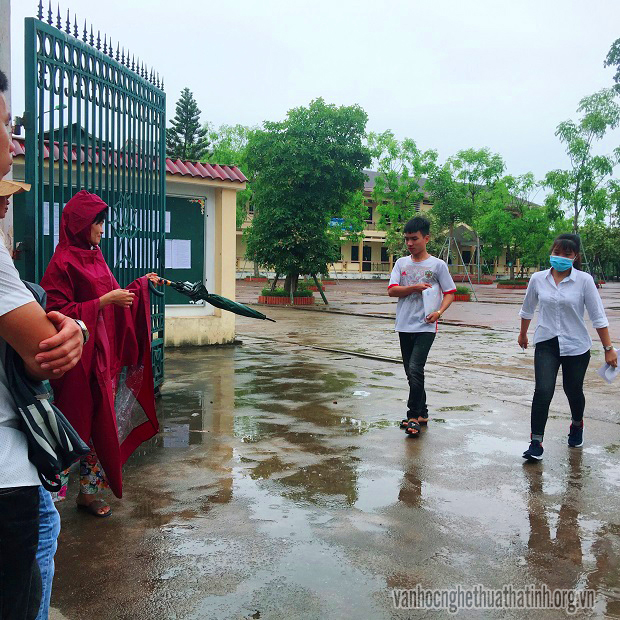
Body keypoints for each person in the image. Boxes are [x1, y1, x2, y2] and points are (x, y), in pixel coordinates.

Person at [0, 69, 83, 620]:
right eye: (6, 125)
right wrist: (83, 323)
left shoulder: (94, 257)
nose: (13, 144)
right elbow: (45, 337)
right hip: (9, 465)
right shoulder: (63, 260)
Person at [40, 190, 160, 516]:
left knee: (100, 423)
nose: (103, 230)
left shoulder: (96, 256)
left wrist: (141, 284)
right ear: (82, 224)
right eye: (98, 223)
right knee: (71, 424)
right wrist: (104, 302)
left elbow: (115, 295)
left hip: (101, 358)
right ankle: (50, 502)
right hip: (76, 363)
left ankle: (88, 494)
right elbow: (55, 312)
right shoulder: (62, 262)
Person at [519, 233, 617, 461]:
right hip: (546, 342)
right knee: (543, 390)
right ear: (551, 253)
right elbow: (527, 308)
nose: (560, 257)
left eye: (567, 254)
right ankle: (536, 442)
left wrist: (608, 348)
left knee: (573, 390)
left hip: (576, 345)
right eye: (557, 252)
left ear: (575, 257)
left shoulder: (584, 281)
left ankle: (576, 424)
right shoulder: (538, 279)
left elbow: (598, 316)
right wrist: (523, 333)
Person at [387, 216, 456, 437]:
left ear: (426, 238)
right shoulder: (401, 263)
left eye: (414, 239)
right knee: (411, 373)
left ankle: (413, 417)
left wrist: (439, 312)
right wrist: (414, 287)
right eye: (407, 239)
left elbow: (450, 293)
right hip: (404, 324)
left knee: (416, 369)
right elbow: (392, 290)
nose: (409, 243)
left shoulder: (437, 265)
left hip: (426, 326)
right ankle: (423, 412)